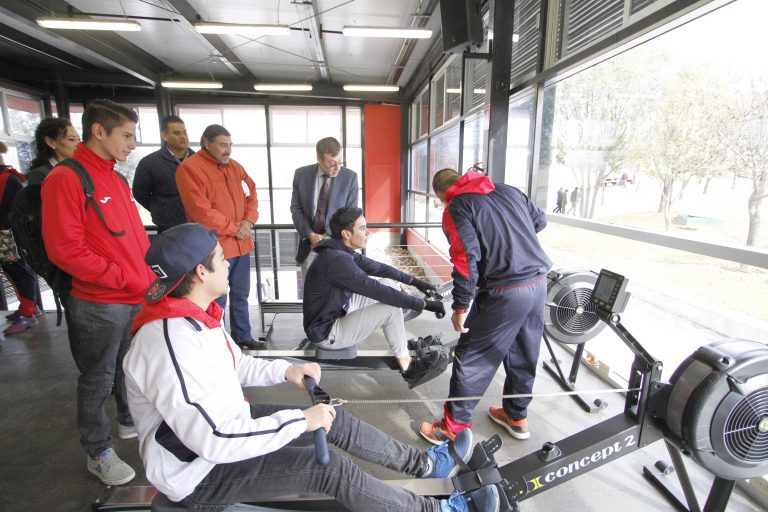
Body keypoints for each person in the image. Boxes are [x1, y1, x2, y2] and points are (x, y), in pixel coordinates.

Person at [123, 222, 502, 512]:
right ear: (200, 273)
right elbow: (215, 439)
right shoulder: (169, 340)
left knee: (335, 418)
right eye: (222, 259)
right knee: (329, 469)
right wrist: (301, 421)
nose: (229, 264)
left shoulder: (194, 316)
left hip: (226, 426)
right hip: (200, 471)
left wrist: (286, 370)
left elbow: (235, 365)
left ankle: (425, 465)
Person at [41, 100, 155, 485]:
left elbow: (132, 239)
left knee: (130, 368)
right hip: (97, 303)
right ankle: (97, 451)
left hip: (132, 295)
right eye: (126, 135)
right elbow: (65, 249)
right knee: (97, 378)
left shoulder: (115, 177)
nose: (132, 144)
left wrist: (144, 277)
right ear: (99, 131)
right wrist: (123, 277)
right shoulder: (67, 178)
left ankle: (127, 419)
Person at [419, 168, 552, 445]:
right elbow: (540, 220)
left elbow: (466, 259)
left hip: (505, 292)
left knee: (473, 357)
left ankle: (451, 428)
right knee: (523, 353)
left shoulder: (458, 206)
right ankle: (516, 416)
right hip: (538, 283)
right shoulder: (507, 189)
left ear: (441, 195)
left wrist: (460, 307)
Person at [302, 207, 449, 388]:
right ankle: (407, 366)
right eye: (363, 228)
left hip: (338, 310)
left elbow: (379, 268)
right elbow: (375, 290)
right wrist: (424, 304)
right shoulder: (337, 260)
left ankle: (398, 334)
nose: (368, 232)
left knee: (389, 284)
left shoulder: (339, 251)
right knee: (389, 304)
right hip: (326, 332)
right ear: (346, 234)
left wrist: (416, 282)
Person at [175, 124, 261, 350]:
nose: (228, 150)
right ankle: (217, 342)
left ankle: (243, 336)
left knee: (242, 294)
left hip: (241, 245)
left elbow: (252, 195)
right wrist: (235, 228)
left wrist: (248, 221)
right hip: (214, 248)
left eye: (230, 145)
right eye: (223, 145)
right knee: (216, 298)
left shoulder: (235, 168)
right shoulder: (190, 169)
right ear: (206, 143)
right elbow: (200, 211)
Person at [290, 136, 358, 280]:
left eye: (340, 162)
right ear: (319, 159)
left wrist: (325, 238)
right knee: (311, 296)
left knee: (336, 296)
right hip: (309, 246)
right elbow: (296, 210)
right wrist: (310, 235)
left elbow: (350, 217)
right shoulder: (301, 175)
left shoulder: (350, 177)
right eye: (332, 163)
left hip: (337, 248)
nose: (338, 168)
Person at [0, 141, 41, 334]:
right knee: (17, 271)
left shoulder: (7, 179)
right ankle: (29, 308)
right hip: (10, 234)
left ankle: (28, 312)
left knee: (17, 271)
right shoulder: (9, 177)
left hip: (7, 234)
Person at [132, 115, 194, 234]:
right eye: (177, 133)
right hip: (169, 228)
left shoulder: (199, 160)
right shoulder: (149, 163)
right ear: (164, 135)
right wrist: (161, 209)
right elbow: (140, 193)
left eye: (184, 132)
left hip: (199, 225)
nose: (183, 136)